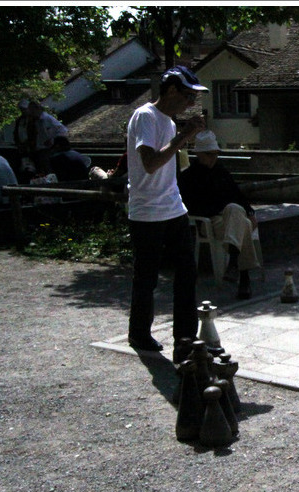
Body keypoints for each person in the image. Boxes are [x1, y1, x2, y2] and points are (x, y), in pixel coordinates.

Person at [125, 65, 207, 353]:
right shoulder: (145, 116)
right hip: (147, 212)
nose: (191, 103)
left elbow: (170, 164)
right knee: (147, 279)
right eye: (188, 96)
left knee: (187, 274)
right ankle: (138, 334)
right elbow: (149, 164)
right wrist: (183, 136)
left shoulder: (170, 122)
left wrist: (182, 136)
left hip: (173, 208)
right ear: (171, 90)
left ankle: (185, 339)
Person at [177, 130, 260, 300]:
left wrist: (250, 211)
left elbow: (237, 194)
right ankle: (243, 277)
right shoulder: (188, 177)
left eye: (215, 154)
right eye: (209, 154)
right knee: (242, 223)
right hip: (211, 221)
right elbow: (191, 206)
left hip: (230, 217)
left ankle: (233, 264)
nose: (213, 158)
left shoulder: (220, 171)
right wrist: (217, 208)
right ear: (199, 154)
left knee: (235, 210)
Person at [27, 101, 68, 175]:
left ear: (38, 109)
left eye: (32, 111)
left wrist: (52, 140)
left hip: (49, 149)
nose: (31, 113)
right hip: (39, 149)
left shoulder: (47, 119)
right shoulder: (34, 121)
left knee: (49, 170)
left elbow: (62, 130)